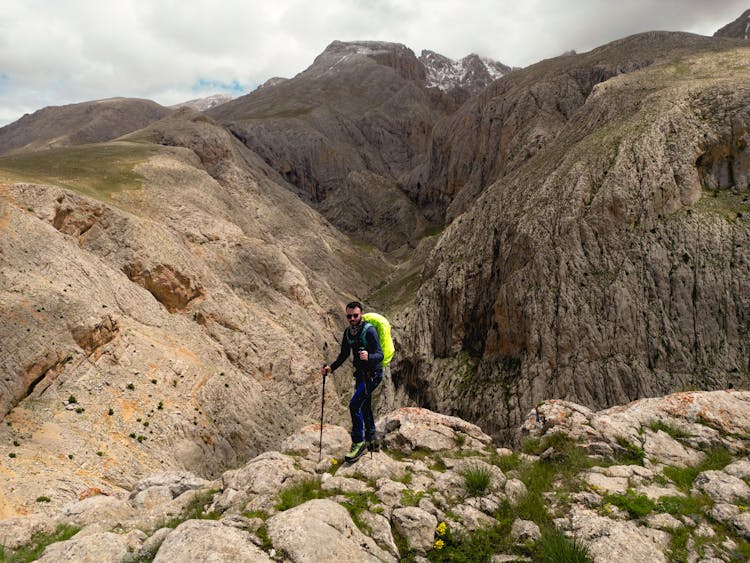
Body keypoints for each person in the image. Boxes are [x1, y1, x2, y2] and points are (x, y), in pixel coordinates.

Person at [322, 301, 383, 461]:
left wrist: (368, 357)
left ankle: (358, 442)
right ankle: (372, 441)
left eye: (355, 315)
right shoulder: (348, 333)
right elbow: (344, 355)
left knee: (354, 405)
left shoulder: (370, 331)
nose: (352, 319)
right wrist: (331, 368)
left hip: (373, 374)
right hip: (361, 375)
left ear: (361, 314)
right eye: (349, 316)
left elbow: (380, 354)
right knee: (364, 406)